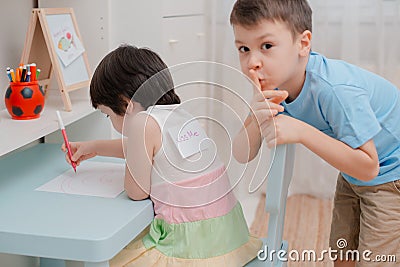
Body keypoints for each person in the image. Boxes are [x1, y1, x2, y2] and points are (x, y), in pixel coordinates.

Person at [230, 0, 400, 266]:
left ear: (303, 43)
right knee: (342, 252)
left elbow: (370, 167)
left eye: (266, 46)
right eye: (243, 48)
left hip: (392, 176)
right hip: (352, 175)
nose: (253, 62)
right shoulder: (276, 85)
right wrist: (254, 113)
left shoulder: (336, 90)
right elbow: (241, 154)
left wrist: (302, 131)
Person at [62, 44, 262, 266]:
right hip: (228, 238)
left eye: (108, 115)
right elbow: (154, 153)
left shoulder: (142, 122)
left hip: (190, 248)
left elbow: (136, 192)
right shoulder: (180, 114)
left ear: (126, 104)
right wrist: (96, 147)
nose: (111, 122)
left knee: (117, 258)